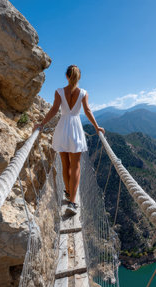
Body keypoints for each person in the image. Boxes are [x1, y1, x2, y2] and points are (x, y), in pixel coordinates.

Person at [34, 65, 105, 216]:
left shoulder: (59, 92)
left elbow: (54, 110)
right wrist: (97, 127)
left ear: (66, 76)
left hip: (62, 128)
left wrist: (42, 124)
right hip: (76, 129)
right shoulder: (83, 93)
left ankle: (68, 192)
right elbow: (87, 111)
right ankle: (72, 202)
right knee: (76, 166)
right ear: (79, 77)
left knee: (65, 164)